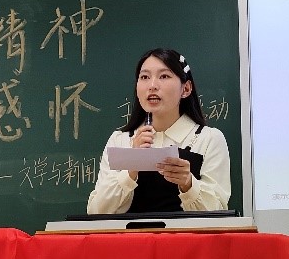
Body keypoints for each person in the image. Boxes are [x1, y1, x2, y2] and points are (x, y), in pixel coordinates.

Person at [87, 48, 231, 214]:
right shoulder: (120, 140)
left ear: (186, 89)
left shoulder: (209, 139)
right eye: (144, 77)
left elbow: (218, 212)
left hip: (186, 232)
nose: (152, 86)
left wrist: (188, 183)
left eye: (164, 76)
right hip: (131, 232)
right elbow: (96, 211)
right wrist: (131, 168)